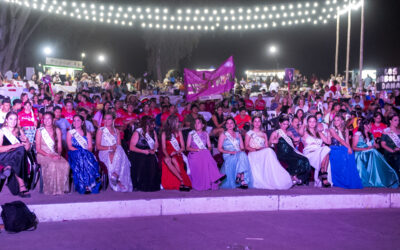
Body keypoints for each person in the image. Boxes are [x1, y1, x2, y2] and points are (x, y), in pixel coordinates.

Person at [245, 116, 292, 189]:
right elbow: (246, 146)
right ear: (252, 123)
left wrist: (274, 142)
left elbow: (267, 146)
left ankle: (275, 177)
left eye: (259, 121)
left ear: (261, 123)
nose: (257, 123)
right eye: (255, 121)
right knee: (269, 151)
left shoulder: (264, 134)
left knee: (269, 150)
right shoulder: (249, 133)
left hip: (263, 152)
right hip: (253, 153)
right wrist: (257, 149)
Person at [352, 119, 399, 188]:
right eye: (369, 125)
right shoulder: (358, 134)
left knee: (374, 152)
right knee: (373, 153)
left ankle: (381, 177)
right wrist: (365, 149)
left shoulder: (371, 135)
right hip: (361, 154)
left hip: (370, 154)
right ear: (365, 125)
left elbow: (377, 146)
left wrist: (377, 143)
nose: (371, 126)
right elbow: (353, 147)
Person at [269, 115, 312, 185]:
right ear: (280, 123)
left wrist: (297, 140)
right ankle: (293, 176)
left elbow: (294, 142)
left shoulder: (289, 133)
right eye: (284, 124)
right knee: (298, 160)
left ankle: (298, 178)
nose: (285, 126)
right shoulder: (276, 133)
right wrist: (275, 140)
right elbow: (269, 143)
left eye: (287, 124)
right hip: (282, 154)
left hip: (291, 152)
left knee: (305, 159)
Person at [96, 112, 132, 192]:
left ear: (113, 120)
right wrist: (110, 148)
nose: (106, 121)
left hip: (116, 151)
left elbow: (119, 146)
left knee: (118, 152)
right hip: (104, 151)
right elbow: (98, 146)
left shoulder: (117, 131)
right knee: (115, 155)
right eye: (105, 119)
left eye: (109, 119)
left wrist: (114, 150)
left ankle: (115, 174)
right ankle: (117, 179)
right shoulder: (101, 130)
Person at [35, 112, 70, 195]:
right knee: (52, 164)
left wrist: (58, 154)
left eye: (49, 118)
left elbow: (59, 146)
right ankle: (51, 189)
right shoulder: (39, 131)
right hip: (42, 154)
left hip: (54, 153)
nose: (47, 120)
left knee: (65, 164)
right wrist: (49, 155)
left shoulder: (57, 130)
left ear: (53, 120)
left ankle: (61, 188)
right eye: (45, 118)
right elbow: (38, 149)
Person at [186, 116, 225, 191]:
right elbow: (187, 147)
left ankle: (214, 177)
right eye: (195, 123)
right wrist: (197, 150)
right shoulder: (191, 134)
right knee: (205, 153)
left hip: (204, 153)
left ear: (203, 125)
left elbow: (209, 146)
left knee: (205, 152)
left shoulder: (206, 133)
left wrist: (207, 149)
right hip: (194, 154)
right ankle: (216, 176)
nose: (196, 125)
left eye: (199, 123)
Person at [67, 115, 101, 194]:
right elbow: (70, 147)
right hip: (74, 154)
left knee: (86, 160)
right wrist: (81, 152)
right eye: (74, 120)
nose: (76, 122)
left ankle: (90, 184)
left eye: (78, 120)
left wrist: (84, 153)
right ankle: (85, 185)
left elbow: (90, 148)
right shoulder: (70, 133)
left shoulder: (87, 133)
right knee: (81, 159)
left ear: (82, 122)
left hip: (86, 154)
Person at [0, 112, 31, 197]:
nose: (13, 121)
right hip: (3, 156)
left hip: (17, 157)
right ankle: (22, 186)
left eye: (15, 119)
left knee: (21, 150)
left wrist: (26, 141)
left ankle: (9, 167)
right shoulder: (2, 131)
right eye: (10, 119)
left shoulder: (19, 130)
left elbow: (27, 149)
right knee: (19, 150)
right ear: (6, 120)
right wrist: (13, 146)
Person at [329, 115, 363, 189]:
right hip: (335, 148)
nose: (336, 122)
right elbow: (339, 139)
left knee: (350, 155)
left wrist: (349, 148)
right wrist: (348, 148)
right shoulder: (332, 129)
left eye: (338, 120)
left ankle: (348, 179)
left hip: (343, 147)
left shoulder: (346, 130)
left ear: (342, 121)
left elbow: (347, 141)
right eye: (334, 120)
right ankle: (340, 180)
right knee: (343, 154)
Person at [218, 117, 252, 189]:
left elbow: (242, 148)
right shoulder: (223, 134)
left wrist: (239, 151)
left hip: (238, 154)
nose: (229, 125)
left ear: (234, 125)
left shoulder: (238, 134)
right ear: (226, 125)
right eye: (228, 123)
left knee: (242, 154)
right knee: (242, 156)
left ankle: (240, 176)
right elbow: (219, 149)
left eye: (231, 123)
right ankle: (242, 179)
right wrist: (230, 152)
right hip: (228, 154)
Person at [129, 116, 160, 191]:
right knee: (143, 159)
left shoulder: (153, 132)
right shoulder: (137, 132)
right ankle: (140, 184)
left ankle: (151, 184)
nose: (154, 125)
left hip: (149, 151)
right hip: (138, 152)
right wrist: (143, 151)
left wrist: (154, 150)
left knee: (152, 159)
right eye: (152, 124)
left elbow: (156, 144)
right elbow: (131, 147)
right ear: (147, 124)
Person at [161, 115, 191, 191]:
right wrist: (167, 155)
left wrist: (177, 152)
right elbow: (164, 148)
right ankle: (181, 180)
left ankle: (182, 181)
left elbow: (183, 147)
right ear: (173, 123)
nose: (179, 123)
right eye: (177, 122)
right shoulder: (164, 133)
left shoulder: (179, 132)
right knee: (167, 160)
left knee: (174, 159)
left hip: (177, 153)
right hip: (168, 153)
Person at [302, 115, 332, 187]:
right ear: (307, 123)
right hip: (310, 153)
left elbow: (328, 142)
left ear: (316, 123)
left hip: (319, 152)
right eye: (310, 121)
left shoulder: (319, 133)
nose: (312, 123)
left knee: (326, 149)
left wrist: (328, 133)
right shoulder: (304, 132)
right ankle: (323, 174)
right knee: (326, 150)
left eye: (314, 121)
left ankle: (323, 172)